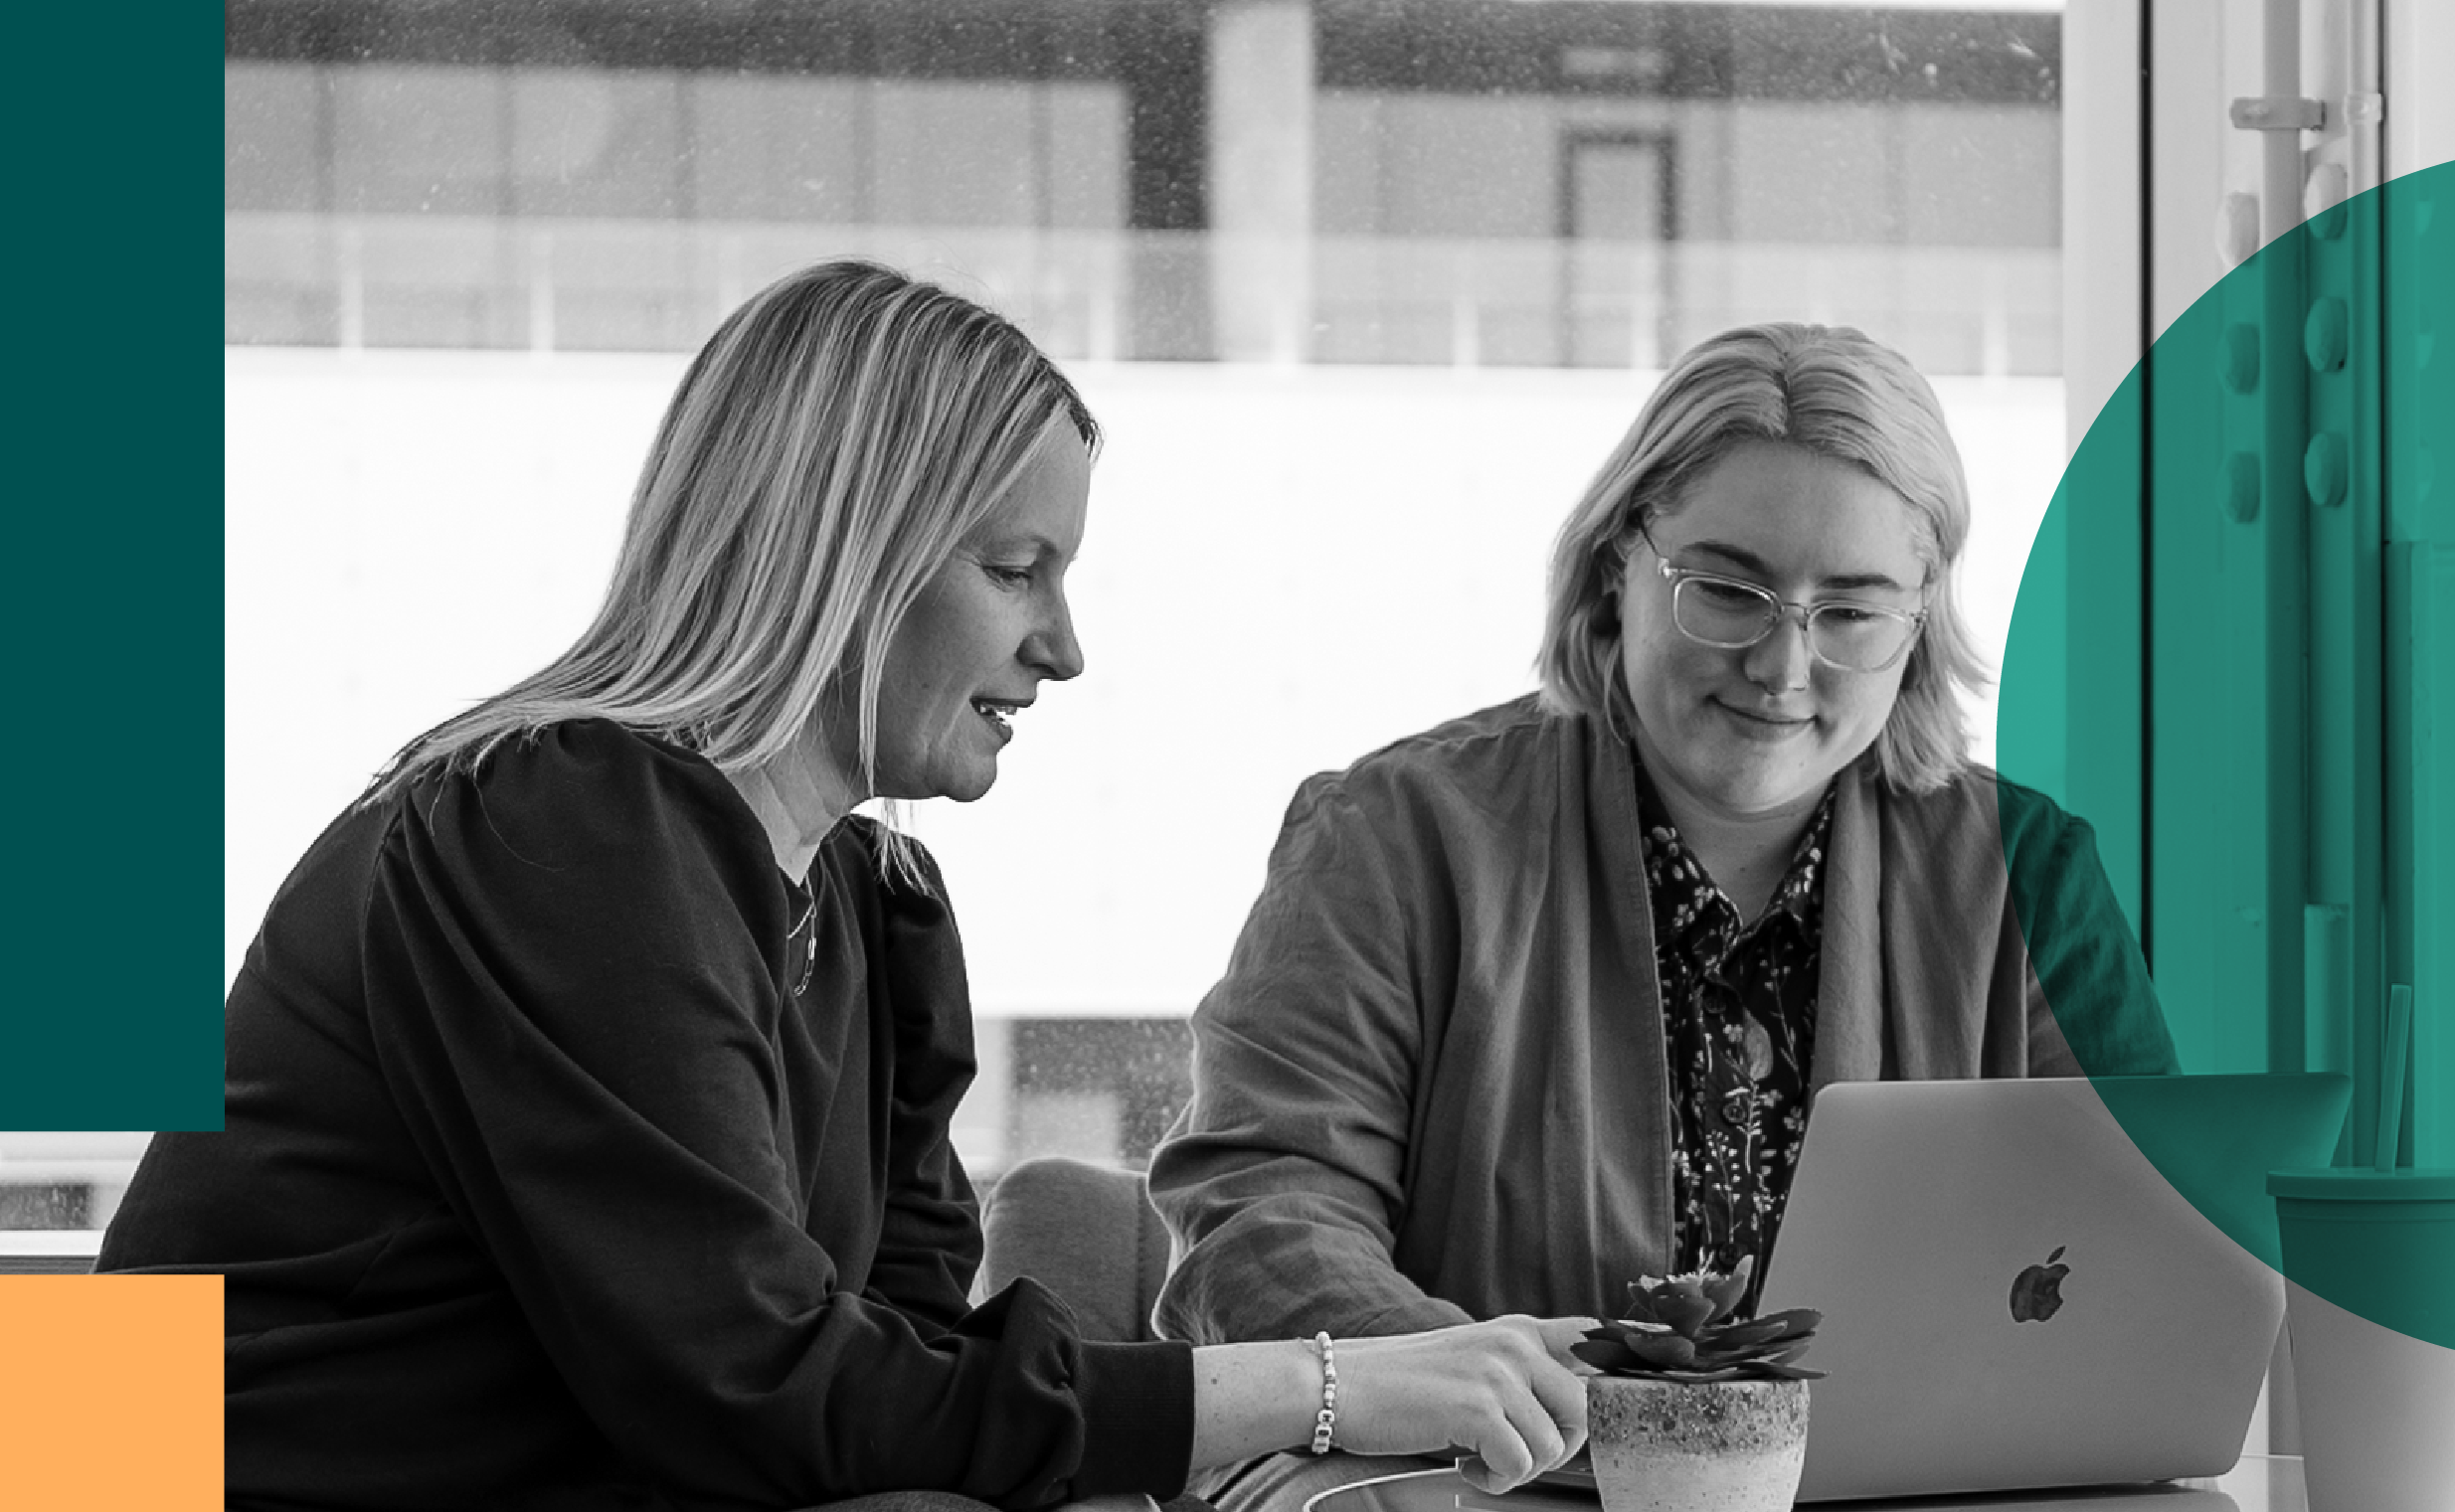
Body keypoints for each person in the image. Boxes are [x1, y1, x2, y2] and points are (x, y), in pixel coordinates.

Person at [104, 260, 1587, 1512]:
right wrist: (1321, 1389)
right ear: (848, 549)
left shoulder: (873, 901)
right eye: (1018, 570)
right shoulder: (566, 820)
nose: (1064, 649)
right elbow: (757, 1384)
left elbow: (907, 1383)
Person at [1146, 322, 2182, 1508]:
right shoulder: (1392, 835)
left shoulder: (2029, 870)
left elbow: (2138, 1261)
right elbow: (1264, 1210)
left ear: (1918, 624)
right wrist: (1473, 1391)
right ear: (1614, 573)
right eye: (1729, 592)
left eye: (1850, 613)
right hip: (1484, 1489)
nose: (1783, 668)